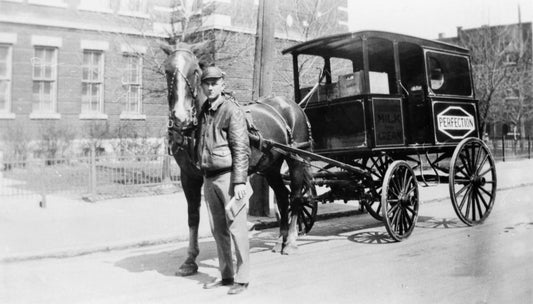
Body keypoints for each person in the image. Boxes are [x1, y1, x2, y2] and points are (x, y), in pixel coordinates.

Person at [197, 66, 251, 295]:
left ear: (222, 85)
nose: (210, 87)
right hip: (209, 178)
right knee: (218, 230)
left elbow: (241, 148)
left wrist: (239, 181)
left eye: (214, 83)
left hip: (229, 177)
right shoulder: (205, 110)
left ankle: (243, 277)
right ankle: (226, 275)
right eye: (206, 83)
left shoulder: (231, 110)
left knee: (237, 228)